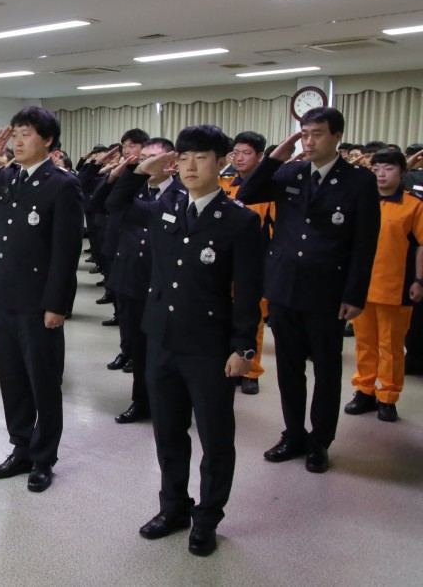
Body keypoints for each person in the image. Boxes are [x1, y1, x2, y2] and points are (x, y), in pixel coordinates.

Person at [110, 125, 263, 557]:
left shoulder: (240, 220)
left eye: (201, 157)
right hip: (161, 339)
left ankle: (208, 517)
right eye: (185, 157)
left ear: (221, 163)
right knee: (169, 433)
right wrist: (141, 170)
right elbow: (111, 204)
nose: (190, 165)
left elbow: (249, 291)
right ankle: (174, 506)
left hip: (209, 346)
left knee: (215, 438)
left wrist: (243, 346)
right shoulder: (166, 204)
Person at [237, 107, 380, 474]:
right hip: (284, 287)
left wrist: (354, 294)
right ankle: (294, 434)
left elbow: (365, 242)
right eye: (305, 133)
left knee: (327, 371)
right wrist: (276, 155)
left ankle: (320, 441)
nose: (310, 140)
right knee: (288, 369)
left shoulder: (358, 181)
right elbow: (249, 191)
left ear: (337, 136)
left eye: (317, 133)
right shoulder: (290, 171)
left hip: (328, 292)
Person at [0, 107, 83, 493]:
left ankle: (44, 458)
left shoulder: (63, 184)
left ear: (48, 140)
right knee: (11, 379)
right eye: (16, 134)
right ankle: (21, 447)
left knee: (43, 382)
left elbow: (66, 251)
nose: (18, 141)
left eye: (26, 134)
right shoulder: (6, 176)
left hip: (38, 301)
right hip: (3, 294)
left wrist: (57, 305)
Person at [98, 137, 186, 424]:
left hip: (167, 284)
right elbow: (107, 204)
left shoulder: (183, 194)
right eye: (143, 157)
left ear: (171, 162)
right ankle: (141, 401)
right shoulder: (135, 190)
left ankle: (171, 402)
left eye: (153, 158)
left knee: (167, 348)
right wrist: (131, 174)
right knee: (138, 347)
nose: (145, 162)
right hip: (133, 279)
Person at [345, 150, 423, 422]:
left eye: (388, 168)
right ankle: (364, 390)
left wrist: (419, 280)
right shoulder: (362, 202)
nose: (380, 174)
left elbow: (421, 246)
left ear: (402, 171)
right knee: (364, 343)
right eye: (375, 168)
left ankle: (388, 396)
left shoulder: (414, 205)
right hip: (362, 287)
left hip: (396, 286)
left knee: (391, 346)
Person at [218, 131, 273, 395]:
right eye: (235, 153)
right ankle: (230, 361)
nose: (239, 158)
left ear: (260, 157)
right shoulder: (224, 183)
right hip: (222, 261)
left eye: (246, 153)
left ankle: (252, 370)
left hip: (254, 264)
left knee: (253, 318)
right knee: (224, 314)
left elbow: (274, 231)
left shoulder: (268, 189)